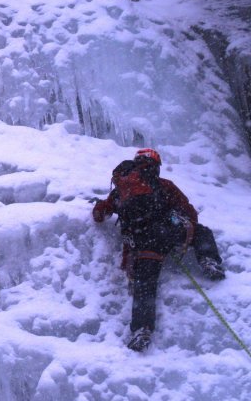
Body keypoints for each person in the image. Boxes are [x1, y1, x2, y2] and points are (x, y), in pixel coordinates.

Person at [91, 148, 226, 352]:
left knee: (145, 284)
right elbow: (189, 212)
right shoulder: (164, 185)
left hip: (143, 244)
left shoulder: (121, 190)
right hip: (168, 233)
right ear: (156, 166)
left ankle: (142, 330)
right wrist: (176, 221)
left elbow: (100, 215)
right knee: (202, 232)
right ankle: (209, 261)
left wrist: (100, 206)